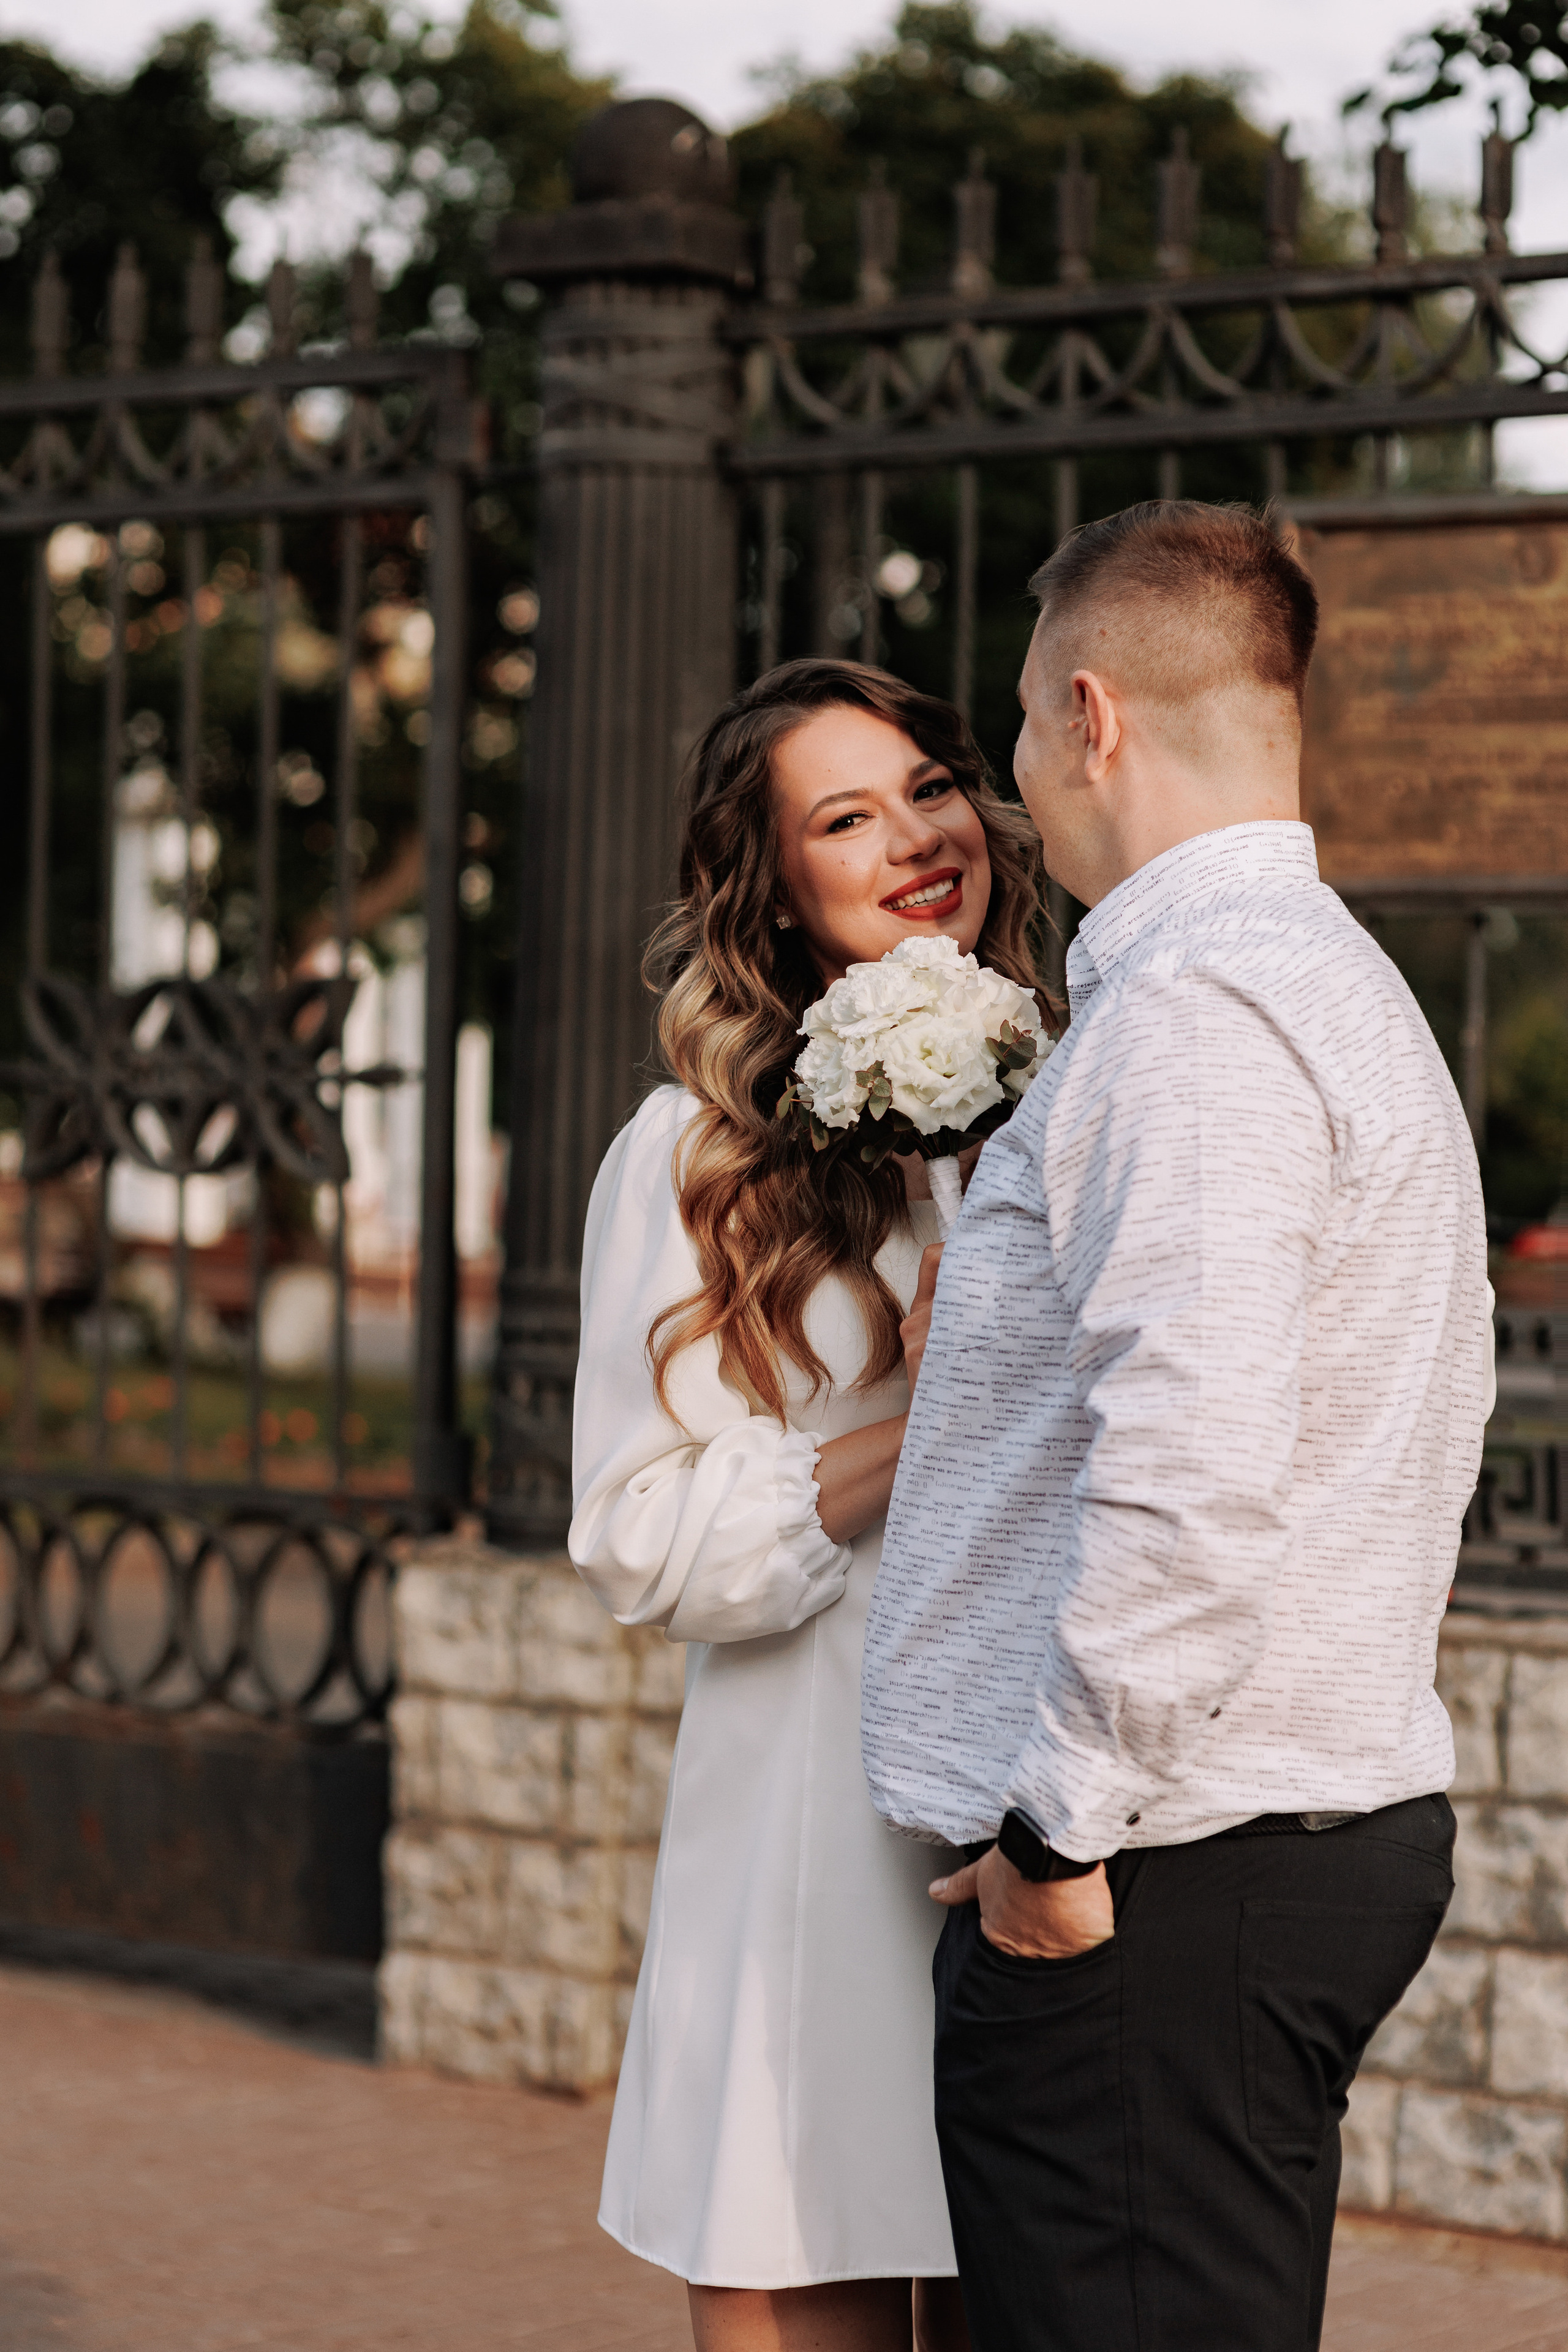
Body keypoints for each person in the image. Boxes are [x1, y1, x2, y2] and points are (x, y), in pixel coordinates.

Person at [862, 501, 1494, 2352]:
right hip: (1230, 1849)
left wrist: (1060, 1844)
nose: (1020, 795)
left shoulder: (1199, 1021)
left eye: (1019, 741)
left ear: (1094, 715)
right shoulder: (1313, 984)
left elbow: (1194, 1486)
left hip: (1169, 1872)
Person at [568, 658, 1046, 2352]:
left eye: (931, 785)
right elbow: (640, 1534)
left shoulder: (1084, 1097)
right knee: (810, 2269)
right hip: (812, 1822)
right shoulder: (693, 1157)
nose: (918, 837)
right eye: (848, 816)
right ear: (775, 886)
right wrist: (924, 1426)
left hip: (1047, 1817)